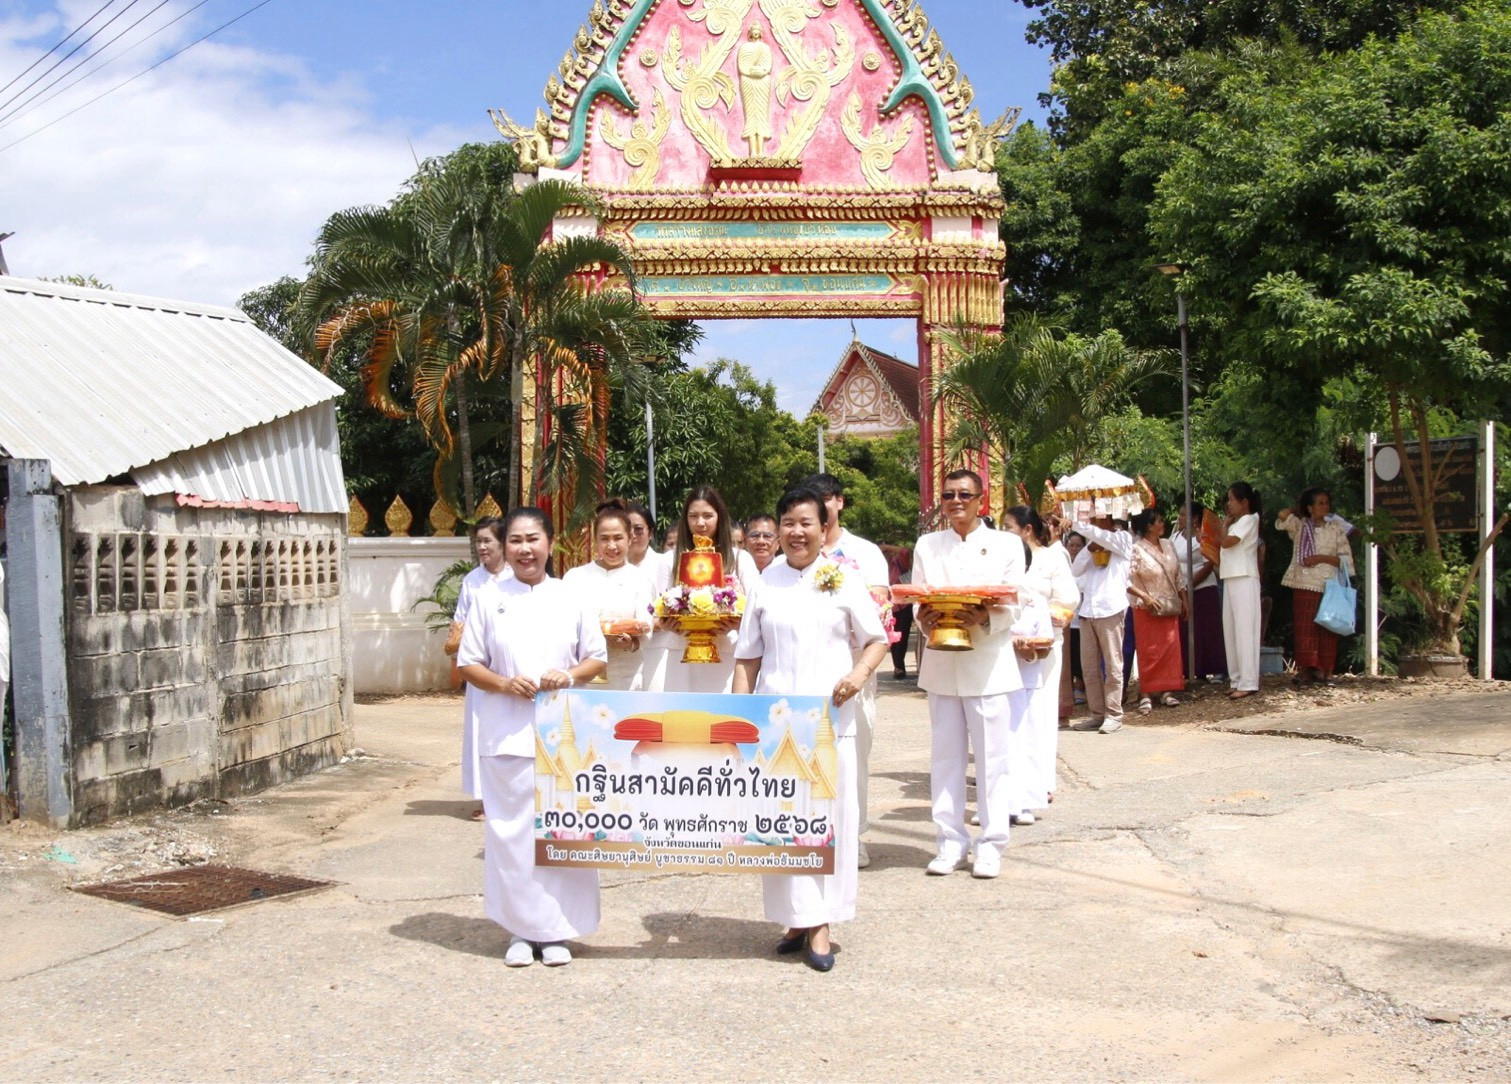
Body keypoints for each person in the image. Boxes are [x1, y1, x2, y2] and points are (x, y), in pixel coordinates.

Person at [733, 487, 888, 972]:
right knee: (782, 821)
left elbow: (876, 639)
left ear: (825, 529)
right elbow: (748, 655)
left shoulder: (841, 578)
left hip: (828, 719)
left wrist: (857, 677)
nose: (796, 532)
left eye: (806, 523)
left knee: (827, 819)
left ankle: (821, 922)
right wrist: (738, 719)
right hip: (776, 723)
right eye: (788, 523)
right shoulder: (765, 581)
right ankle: (794, 918)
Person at [455, 507, 607, 968]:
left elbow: (596, 658)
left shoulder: (571, 596)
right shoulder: (487, 596)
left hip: (563, 734)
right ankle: (520, 930)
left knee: (563, 832)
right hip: (507, 733)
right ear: (506, 547)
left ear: (550, 543)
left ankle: (557, 928)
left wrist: (568, 674)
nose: (525, 549)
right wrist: (504, 684)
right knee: (513, 835)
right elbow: (467, 663)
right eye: (516, 540)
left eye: (533, 539)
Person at [913, 469, 1027, 879]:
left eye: (964, 494)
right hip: (942, 664)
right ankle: (949, 842)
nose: (955, 501)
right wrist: (925, 617)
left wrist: (984, 616)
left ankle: (992, 844)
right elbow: (918, 598)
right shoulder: (928, 544)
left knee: (993, 759)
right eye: (948, 495)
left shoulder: (1006, 544)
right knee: (945, 759)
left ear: (982, 500)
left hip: (989, 664)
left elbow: (1016, 601)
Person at [799, 473, 889, 869]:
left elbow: (881, 607)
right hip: (805, 667)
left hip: (854, 669)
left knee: (854, 754)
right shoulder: (798, 552)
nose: (820, 507)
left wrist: (861, 669)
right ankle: (807, 830)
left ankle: (854, 834)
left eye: (826, 499)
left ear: (839, 503)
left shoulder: (864, 552)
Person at [1003, 506, 1078, 825]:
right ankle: (1010, 785)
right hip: (1008, 645)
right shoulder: (1005, 559)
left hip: (1044, 644)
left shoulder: (1051, 558)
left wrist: (1038, 618)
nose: (1003, 532)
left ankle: (1041, 783)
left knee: (1039, 714)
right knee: (1009, 716)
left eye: (1008, 527)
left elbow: (1069, 598)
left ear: (1028, 529)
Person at [644, 485, 759, 694]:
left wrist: (736, 623)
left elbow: (756, 612)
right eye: (693, 516)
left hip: (727, 653)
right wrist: (668, 623)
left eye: (708, 515)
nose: (700, 523)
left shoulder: (741, 559)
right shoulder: (669, 560)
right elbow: (656, 610)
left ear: (720, 518)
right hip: (681, 655)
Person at [446, 517, 512, 821]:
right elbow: (459, 622)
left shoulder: (516, 577)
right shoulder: (472, 580)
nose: (482, 547)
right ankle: (486, 798)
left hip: (512, 667)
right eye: (479, 542)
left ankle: (512, 795)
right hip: (478, 670)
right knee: (479, 732)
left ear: (502, 544)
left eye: (488, 541)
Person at [562, 502, 655, 690]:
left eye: (618, 538)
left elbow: (646, 626)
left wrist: (632, 642)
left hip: (626, 676)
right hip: (584, 676)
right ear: (595, 539)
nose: (611, 546)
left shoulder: (640, 578)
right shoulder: (575, 577)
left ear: (629, 538)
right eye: (604, 539)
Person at [1277, 487, 1354, 686]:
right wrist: (1300, 508)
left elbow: (1344, 560)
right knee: (1305, 629)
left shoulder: (1335, 528)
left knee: (1327, 628)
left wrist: (1320, 558)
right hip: (1303, 583)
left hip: (1328, 585)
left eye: (1326, 503)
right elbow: (1282, 515)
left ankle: (1326, 672)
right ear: (1310, 508)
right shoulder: (1300, 526)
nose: (1325, 507)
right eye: (1319, 503)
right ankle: (1306, 671)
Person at [1069, 514, 1134, 733]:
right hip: (1088, 611)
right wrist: (1089, 548)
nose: (1094, 524)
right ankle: (1097, 714)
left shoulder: (1122, 539)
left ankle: (1114, 714)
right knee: (1089, 668)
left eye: (1098, 520)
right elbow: (1075, 569)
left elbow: (1101, 536)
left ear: (1108, 519)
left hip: (1110, 610)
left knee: (1113, 664)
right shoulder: (1092, 542)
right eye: (1092, 521)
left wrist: (1078, 523)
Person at [1126, 509, 1189, 713]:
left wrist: (1184, 600)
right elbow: (1126, 579)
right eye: (1159, 521)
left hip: (1168, 604)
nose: (1163, 524)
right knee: (1149, 650)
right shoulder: (1136, 549)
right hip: (1147, 607)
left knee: (1170, 648)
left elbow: (1178, 575)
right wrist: (1145, 597)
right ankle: (1146, 692)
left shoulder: (1169, 545)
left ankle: (1166, 690)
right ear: (1148, 526)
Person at [1170, 501, 1226, 682]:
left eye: (1184, 514)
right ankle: (1188, 670)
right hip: (1182, 591)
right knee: (1185, 631)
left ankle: (1209, 669)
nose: (1180, 518)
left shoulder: (1203, 537)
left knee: (1205, 631)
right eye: (1179, 514)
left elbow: (1210, 562)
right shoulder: (1175, 537)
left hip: (1202, 589)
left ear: (1194, 518)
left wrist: (1192, 584)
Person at [1219, 482, 1263, 699]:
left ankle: (1248, 680)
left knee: (1245, 630)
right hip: (1231, 578)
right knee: (1231, 630)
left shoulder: (1250, 519)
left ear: (1244, 502)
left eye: (1231, 500)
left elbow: (1227, 542)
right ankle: (1236, 678)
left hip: (1245, 578)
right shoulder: (1237, 522)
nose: (1229, 504)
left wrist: (1222, 527)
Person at [1063, 530, 1087, 712]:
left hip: (1082, 616)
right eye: (1072, 545)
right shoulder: (1062, 562)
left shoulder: (1086, 564)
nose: (1075, 548)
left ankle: (1080, 685)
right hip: (1066, 617)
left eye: (1079, 545)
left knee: (1080, 654)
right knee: (1069, 654)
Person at [884, 544, 915, 680]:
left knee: (902, 637)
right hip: (888, 607)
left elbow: (906, 551)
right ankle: (898, 666)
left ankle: (899, 667)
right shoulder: (878, 568)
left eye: (887, 553)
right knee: (892, 638)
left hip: (904, 605)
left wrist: (886, 547)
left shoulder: (899, 563)